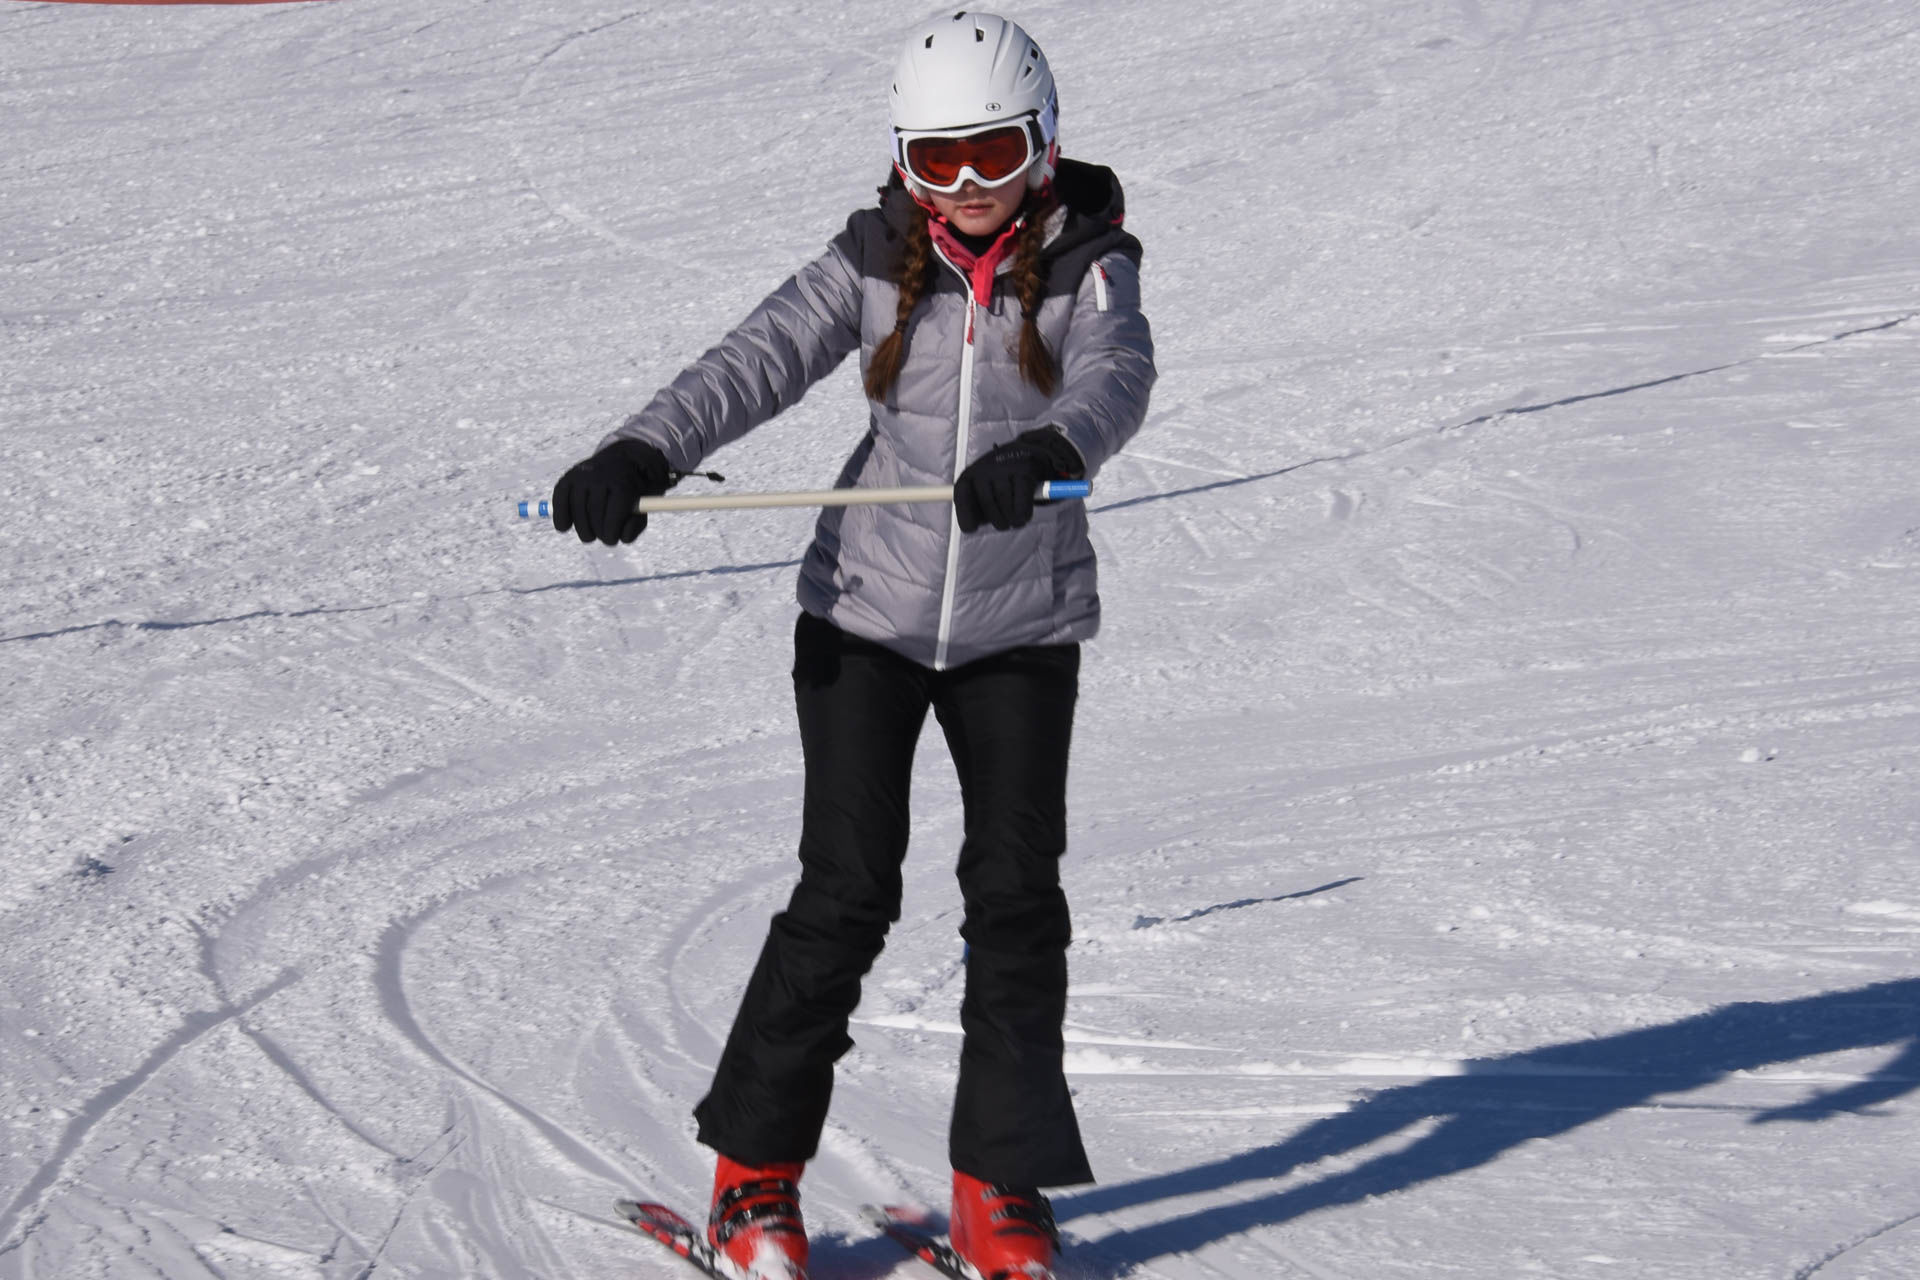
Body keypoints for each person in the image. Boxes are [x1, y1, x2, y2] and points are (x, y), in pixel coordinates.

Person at [550, 12, 1154, 1279]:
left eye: (993, 153)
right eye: (938, 160)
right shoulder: (877, 255)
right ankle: (752, 1176)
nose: (969, 186)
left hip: (1020, 625)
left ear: (1043, 145)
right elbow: (759, 354)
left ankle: (997, 1190)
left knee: (1016, 901)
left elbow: (1116, 374)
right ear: (903, 162)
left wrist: (1053, 448)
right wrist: (642, 450)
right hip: (865, 616)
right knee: (846, 892)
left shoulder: (1088, 261)